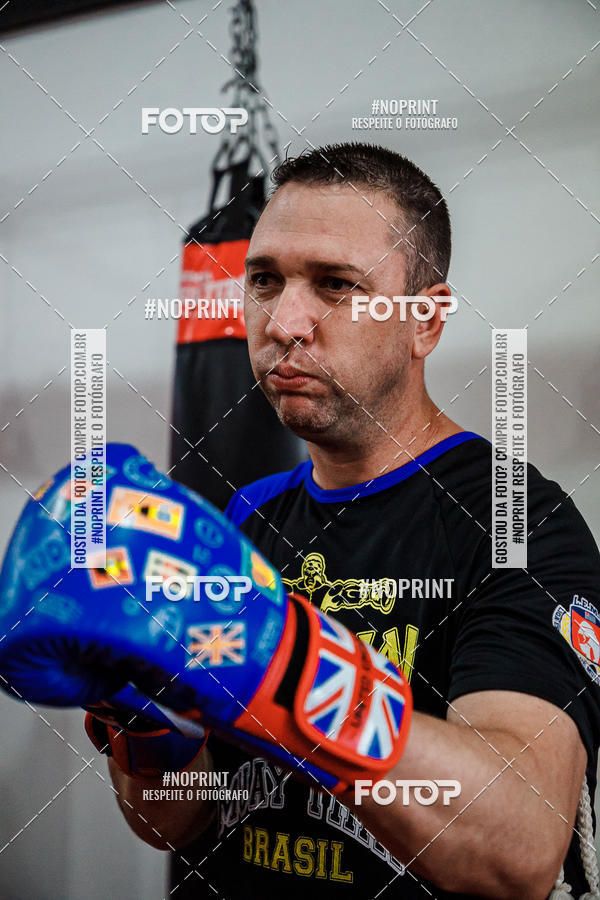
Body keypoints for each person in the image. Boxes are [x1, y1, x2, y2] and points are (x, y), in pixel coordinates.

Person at [109, 143, 600, 899]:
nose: (286, 322)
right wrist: (145, 725)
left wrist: (279, 663)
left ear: (425, 322)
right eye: (265, 280)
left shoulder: (516, 522)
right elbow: (179, 825)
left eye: (336, 285)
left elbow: (522, 846)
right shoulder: (248, 519)